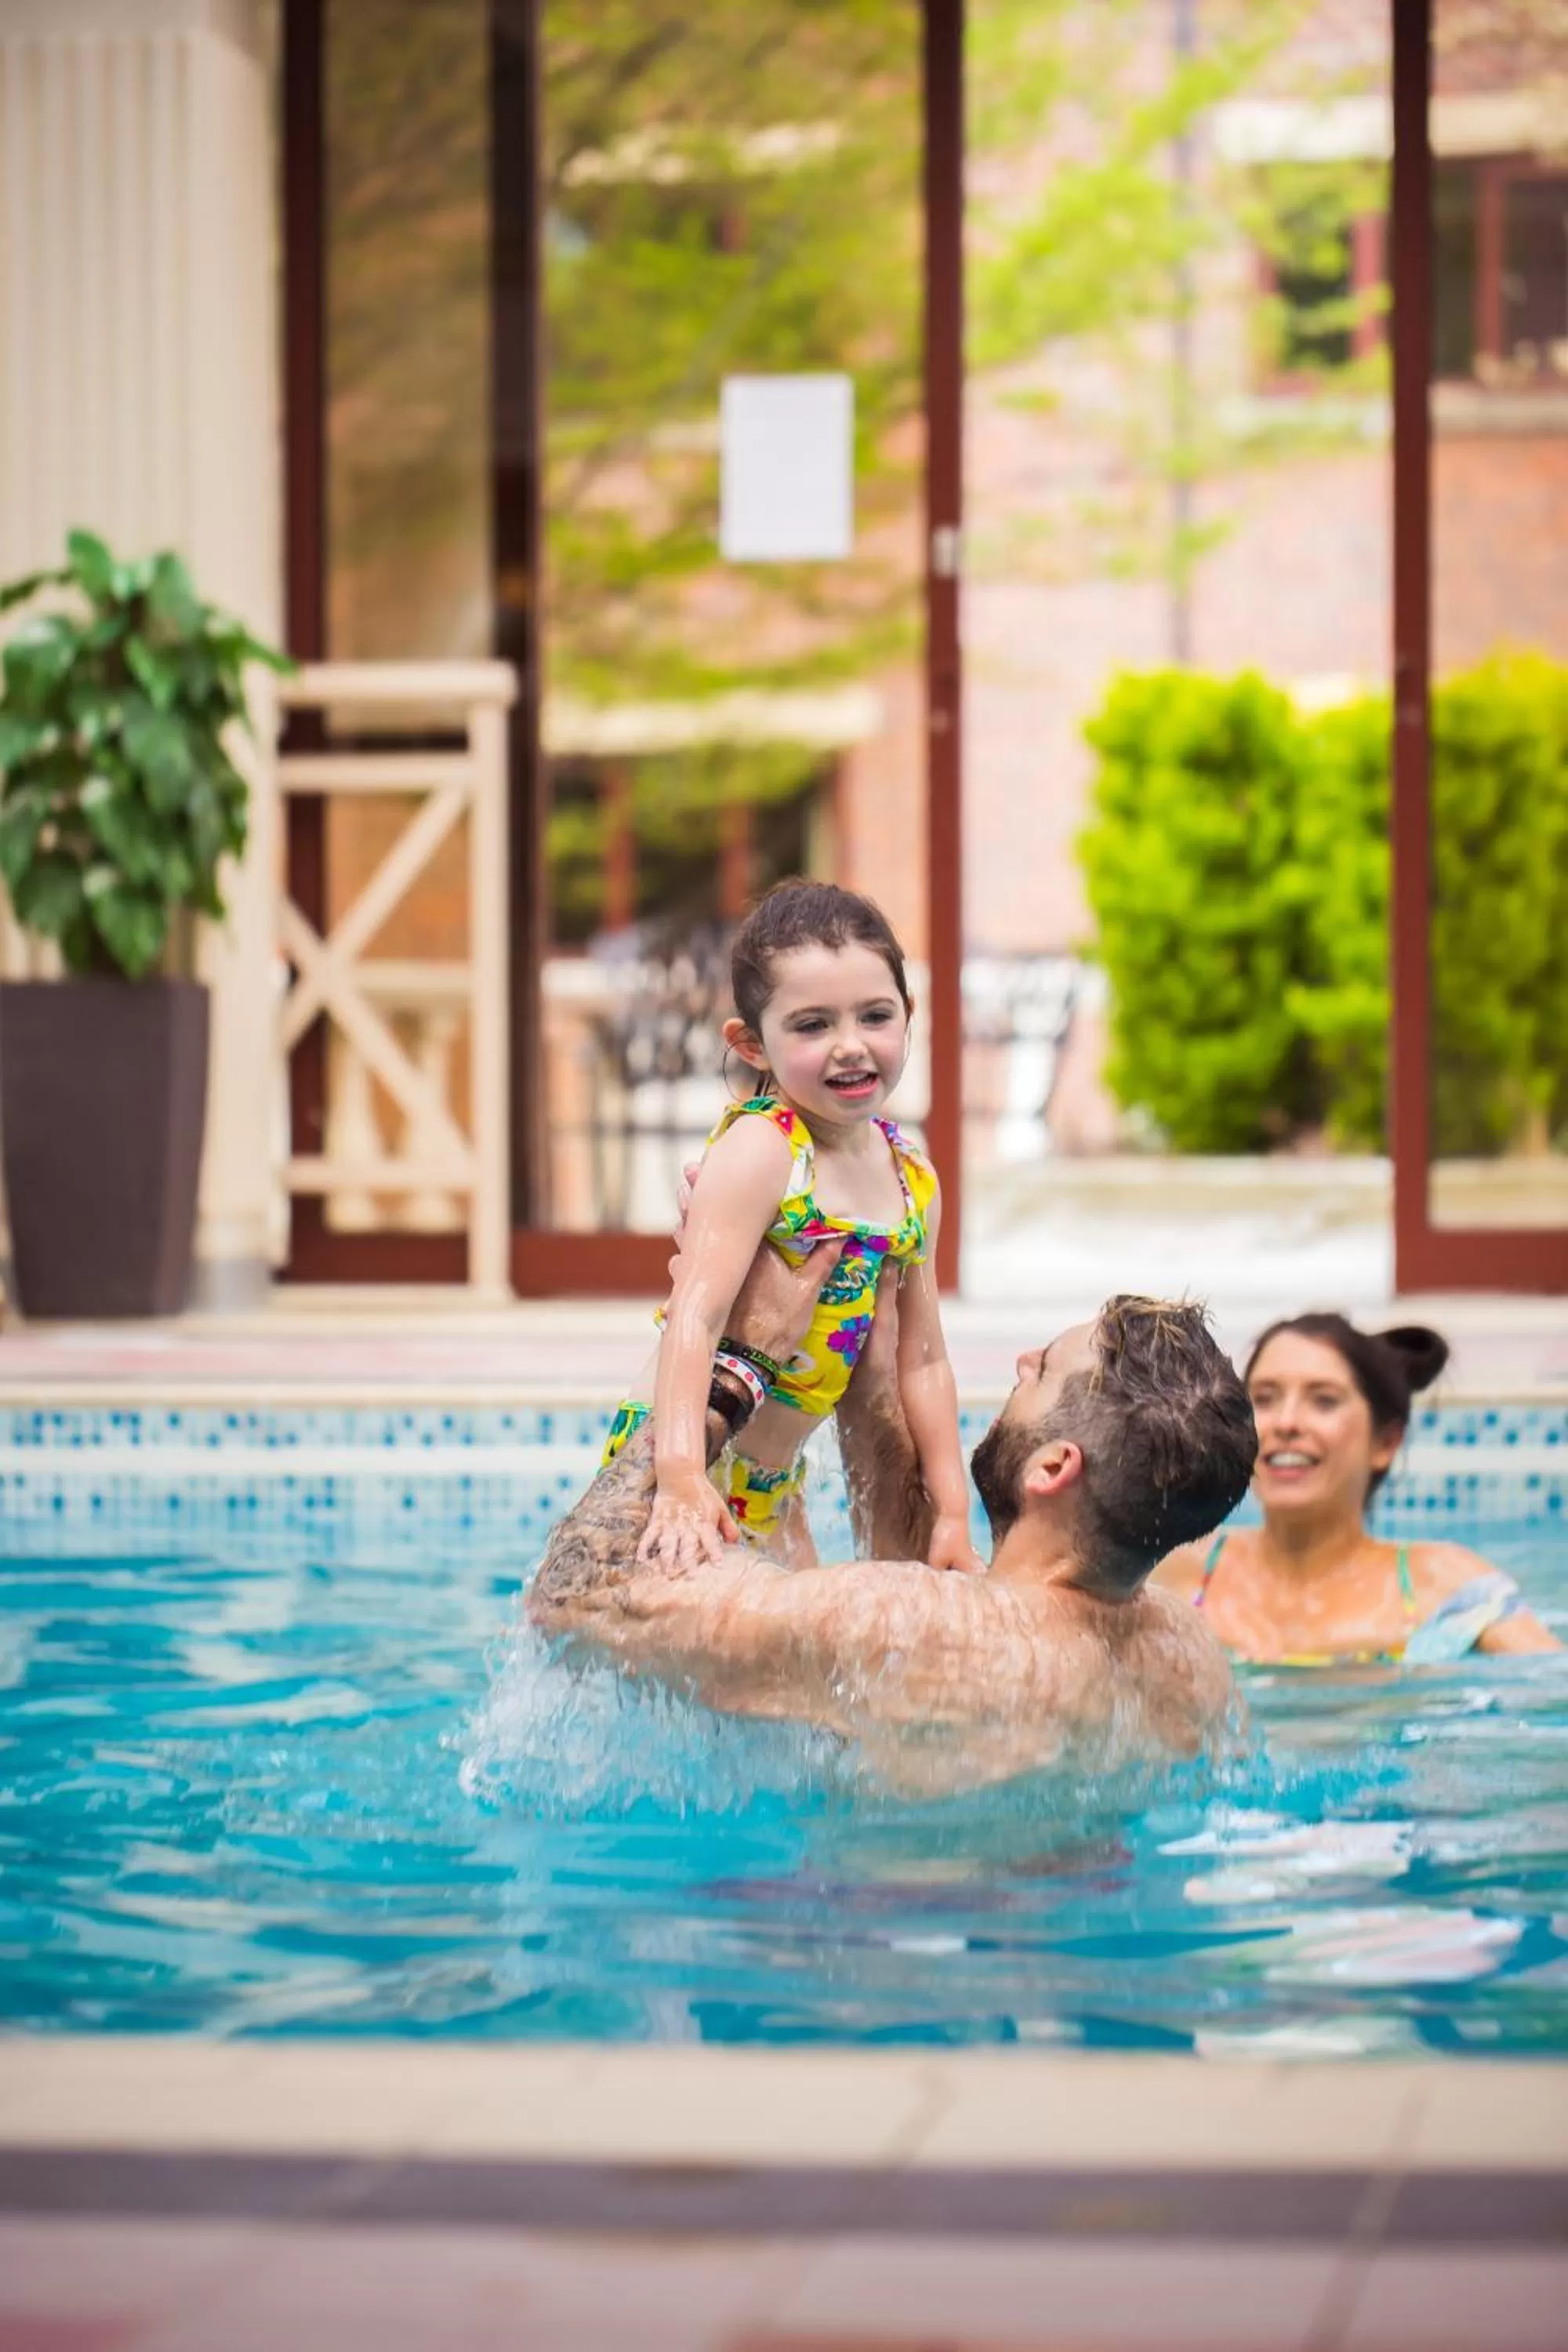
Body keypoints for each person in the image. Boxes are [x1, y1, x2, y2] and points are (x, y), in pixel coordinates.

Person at [530, 1249, 1257, 1791]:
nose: (1021, 1360)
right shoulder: (1189, 1659)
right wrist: (871, 1370)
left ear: (1053, 1469)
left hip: (859, 1968)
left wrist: (736, 1360)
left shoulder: (902, 1622)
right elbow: (929, 1626)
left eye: (1042, 1373)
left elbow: (573, 1597)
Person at [604, 877, 981, 1578]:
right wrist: (682, 1475)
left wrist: (953, 1513)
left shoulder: (911, 1178)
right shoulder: (767, 1149)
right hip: (693, 1456)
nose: (851, 1046)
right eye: (812, 1026)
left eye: (875, 1016)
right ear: (751, 1045)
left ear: (910, 1015)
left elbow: (924, 1361)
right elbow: (698, 1311)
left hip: (775, 1485)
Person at [1156, 1312, 1559, 1664]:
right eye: (1264, 1398)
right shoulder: (1175, 1579)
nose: (1287, 1422)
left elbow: (1549, 1689)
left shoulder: (1440, 1586)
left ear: (1386, 1442)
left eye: (1324, 1401)